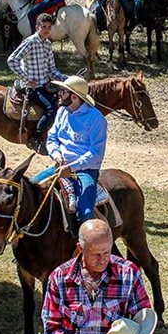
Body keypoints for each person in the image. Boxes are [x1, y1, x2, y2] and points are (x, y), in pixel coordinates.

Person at [33, 76, 108, 231]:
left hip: (85, 171)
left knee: (85, 212)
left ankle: (86, 246)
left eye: (63, 92)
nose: (59, 94)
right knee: (32, 189)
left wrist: (72, 167)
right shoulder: (62, 112)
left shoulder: (96, 118)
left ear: (74, 96)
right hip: (60, 166)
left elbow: (95, 153)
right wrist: (57, 155)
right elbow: (52, 138)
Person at [7, 13, 68, 153]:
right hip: (32, 87)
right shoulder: (30, 42)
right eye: (43, 27)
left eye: (49, 27)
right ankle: (36, 137)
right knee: (50, 109)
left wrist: (67, 79)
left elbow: (52, 70)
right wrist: (26, 79)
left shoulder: (47, 44)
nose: (46, 30)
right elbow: (12, 60)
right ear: (37, 27)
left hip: (45, 83)